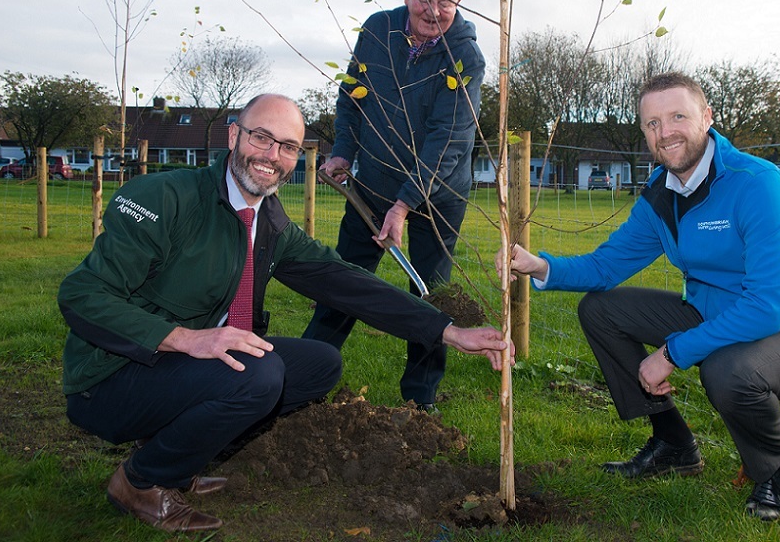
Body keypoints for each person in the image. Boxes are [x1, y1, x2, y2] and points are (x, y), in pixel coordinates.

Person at [58, 94, 511, 533]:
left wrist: (449, 331)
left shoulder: (270, 223)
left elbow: (349, 282)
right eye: (261, 137)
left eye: (288, 147)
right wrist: (185, 337)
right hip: (112, 377)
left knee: (319, 364)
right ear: (233, 135)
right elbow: (82, 295)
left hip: (183, 371)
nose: (272, 156)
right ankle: (138, 482)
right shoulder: (165, 198)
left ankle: (176, 458)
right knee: (259, 375)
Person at [498, 72, 780, 521]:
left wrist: (671, 353)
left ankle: (779, 468)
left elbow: (764, 309)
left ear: (707, 117)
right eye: (652, 123)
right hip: (712, 316)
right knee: (601, 311)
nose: (666, 132)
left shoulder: (757, 185)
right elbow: (607, 265)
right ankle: (674, 445)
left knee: (725, 370)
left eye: (678, 116)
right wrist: (540, 266)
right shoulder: (662, 194)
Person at [304, 0, 484, 412]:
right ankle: (301, 377)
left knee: (428, 293)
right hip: (373, 188)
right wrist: (344, 150)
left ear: (459, 3)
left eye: (445, 1)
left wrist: (404, 206)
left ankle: (420, 401)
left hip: (437, 201)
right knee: (344, 280)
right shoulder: (376, 31)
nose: (434, 9)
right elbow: (350, 96)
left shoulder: (465, 57)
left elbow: (449, 142)